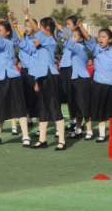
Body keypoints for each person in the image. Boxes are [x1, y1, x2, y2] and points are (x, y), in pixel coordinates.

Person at [0, 15, 28, 146]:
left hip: (11, 78)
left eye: (1, 30)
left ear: (8, 33)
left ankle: (25, 136)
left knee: (19, 108)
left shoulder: (7, 43)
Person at [23, 8, 66, 151]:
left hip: (51, 77)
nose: (35, 36)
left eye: (41, 27)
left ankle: (61, 141)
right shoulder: (40, 47)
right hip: (42, 78)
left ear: (47, 29)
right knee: (42, 109)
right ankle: (42, 140)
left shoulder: (50, 41)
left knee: (54, 108)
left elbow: (36, 31)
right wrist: (37, 81)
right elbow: (39, 66)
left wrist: (28, 14)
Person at [79, 21, 112, 143]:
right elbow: (88, 39)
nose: (101, 39)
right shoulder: (96, 49)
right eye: (99, 36)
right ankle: (101, 135)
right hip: (99, 85)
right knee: (101, 111)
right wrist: (81, 27)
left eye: (104, 37)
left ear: (110, 39)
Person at [9, 10, 38, 135]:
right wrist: (10, 19)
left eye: (29, 26)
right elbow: (13, 33)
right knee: (24, 96)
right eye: (25, 26)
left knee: (36, 99)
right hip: (24, 71)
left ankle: (39, 126)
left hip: (35, 71)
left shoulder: (37, 39)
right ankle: (28, 119)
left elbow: (26, 44)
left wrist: (27, 14)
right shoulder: (21, 36)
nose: (27, 28)